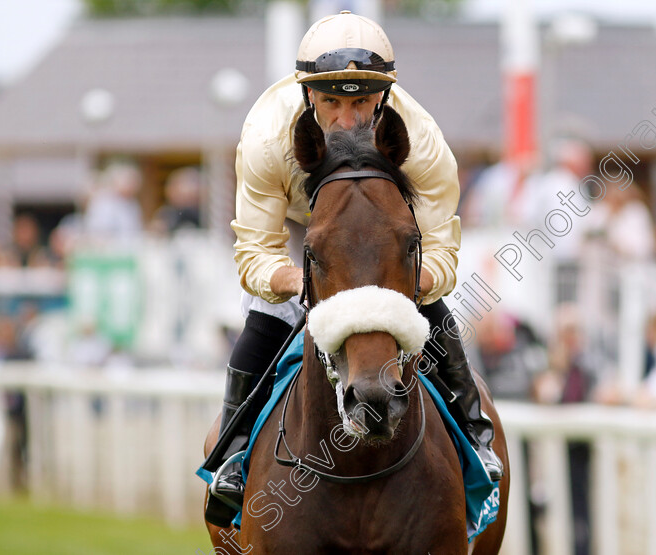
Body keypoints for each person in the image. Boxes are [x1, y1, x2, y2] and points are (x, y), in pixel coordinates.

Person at [206, 11, 503, 523]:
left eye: (361, 102)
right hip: (310, 243)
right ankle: (232, 455)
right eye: (332, 102)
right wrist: (310, 283)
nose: (347, 119)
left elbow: (442, 256)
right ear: (308, 97)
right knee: (263, 315)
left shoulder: (424, 145)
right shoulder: (264, 137)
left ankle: (477, 436)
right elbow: (255, 253)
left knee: (429, 305)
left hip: (387, 247)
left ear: (383, 97)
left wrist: (393, 286)